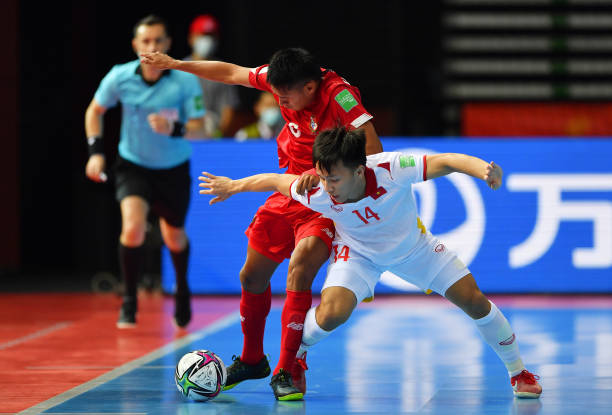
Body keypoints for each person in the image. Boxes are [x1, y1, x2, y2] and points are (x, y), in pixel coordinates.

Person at [198, 126, 543, 400]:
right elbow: (274, 180)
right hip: (358, 254)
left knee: (475, 302)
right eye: (323, 176)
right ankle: (297, 353)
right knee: (332, 313)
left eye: (335, 179)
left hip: (414, 250)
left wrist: (483, 170)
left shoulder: (393, 168)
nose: (328, 187)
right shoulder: (316, 189)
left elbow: (447, 160)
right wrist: (234, 186)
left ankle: (519, 373)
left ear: (360, 170)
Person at [140, 47, 383, 400]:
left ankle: (287, 369)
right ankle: (253, 359)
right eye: (276, 90)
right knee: (251, 276)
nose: (279, 99)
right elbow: (231, 73)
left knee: (300, 268)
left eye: (286, 93)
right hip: (290, 189)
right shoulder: (282, 81)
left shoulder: (339, 97)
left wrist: (329, 175)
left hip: (326, 200)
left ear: (311, 87)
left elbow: (374, 151)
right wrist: (177, 64)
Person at [84, 15, 206, 329]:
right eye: (146, 41)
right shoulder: (120, 76)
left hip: (173, 168)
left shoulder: (184, 79)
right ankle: (129, 300)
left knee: (174, 237)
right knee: (133, 228)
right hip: (132, 164)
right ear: (136, 45)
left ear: (167, 45)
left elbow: (201, 128)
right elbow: (94, 111)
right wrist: (96, 153)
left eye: (158, 40)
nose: (151, 46)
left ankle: (182, 289)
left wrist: (174, 127)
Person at [186, 14, 240, 137]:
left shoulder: (223, 69)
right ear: (191, 38)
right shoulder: (179, 68)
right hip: (185, 130)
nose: (206, 40)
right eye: (202, 35)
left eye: (209, 36)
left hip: (212, 130)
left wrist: (218, 134)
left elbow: (228, 108)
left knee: (209, 120)